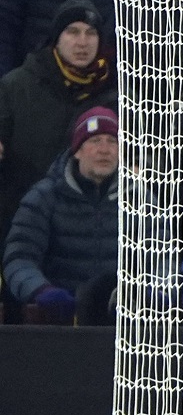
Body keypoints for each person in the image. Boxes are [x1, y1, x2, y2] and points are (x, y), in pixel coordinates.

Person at [0, 0, 116, 246]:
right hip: (18, 220)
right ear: (56, 38)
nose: (82, 42)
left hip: (90, 230)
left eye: (91, 33)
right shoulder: (16, 86)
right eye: (72, 32)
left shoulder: (116, 93)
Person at [3, 107, 121, 325]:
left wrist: (155, 291)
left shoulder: (140, 200)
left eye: (112, 141)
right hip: (57, 323)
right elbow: (19, 257)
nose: (105, 150)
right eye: (95, 141)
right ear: (77, 150)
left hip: (123, 327)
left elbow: (162, 256)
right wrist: (41, 290)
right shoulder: (44, 197)